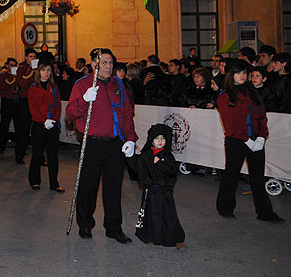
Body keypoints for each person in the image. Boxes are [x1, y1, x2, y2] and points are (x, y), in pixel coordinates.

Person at [66, 48, 137, 243]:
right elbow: (71, 112)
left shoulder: (119, 86)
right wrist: (84, 100)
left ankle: (113, 227)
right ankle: (85, 224)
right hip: (92, 143)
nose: (108, 66)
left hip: (115, 144)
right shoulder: (82, 85)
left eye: (110, 63)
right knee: (88, 187)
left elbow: (127, 114)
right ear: (93, 64)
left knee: (114, 188)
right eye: (103, 62)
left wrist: (130, 138)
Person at [215, 60, 284, 223]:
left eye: (245, 73)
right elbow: (230, 125)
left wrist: (261, 136)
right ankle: (225, 207)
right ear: (231, 75)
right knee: (231, 175)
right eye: (239, 72)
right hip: (236, 140)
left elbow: (261, 116)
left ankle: (265, 212)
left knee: (258, 177)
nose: (243, 75)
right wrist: (247, 140)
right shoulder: (224, 96)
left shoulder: (253, 92)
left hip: (256, 139)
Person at [128, 124, 186, 249]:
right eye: (156, 138)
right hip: (150, 190)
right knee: (150, 213)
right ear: (151, 140)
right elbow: (138, 168)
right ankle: (150, 235)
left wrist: (160, 163)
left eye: (163, 138)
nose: (160, 141)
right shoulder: (146, 154)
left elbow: (172, 170)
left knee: (168, 214)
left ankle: (173, 237)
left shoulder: (167, 156)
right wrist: (129, 156)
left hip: (164, 191)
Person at [28, 61, 64, 193]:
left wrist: (53, 120)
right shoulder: (33, 88)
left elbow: (58, 106)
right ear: (39, 72)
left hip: (52, 126)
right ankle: (34, 180)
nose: (46, 73)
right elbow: (33, 108)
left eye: (48, 70)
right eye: (43, 70)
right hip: (39, 124)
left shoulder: (54, 87)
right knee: (37, 154)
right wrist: (44, 121)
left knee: (53, 155)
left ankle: (54, 183)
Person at [15, 48, 37, 164]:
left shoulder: (38, 69)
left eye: (34, 57)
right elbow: (22, 83)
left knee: (37, 129)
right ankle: (20, 155)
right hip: (25, 100)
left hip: (36, 101)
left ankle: (39, 156)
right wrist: (31, 72)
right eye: (30, 57)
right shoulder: (22, 69)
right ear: (26, 58)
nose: (32, 59)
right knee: (24, 129)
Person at [0, 58, 19, 155]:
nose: (12, 67)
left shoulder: (19, 76)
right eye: (11, 65)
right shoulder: (3, 76)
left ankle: (19, 148)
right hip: (7, 101)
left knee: (19, 126)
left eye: (14, 65)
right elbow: (2, 87)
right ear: (7, 65)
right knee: (4, 125)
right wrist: (11, 78)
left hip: (17, 102)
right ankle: (1, 147)